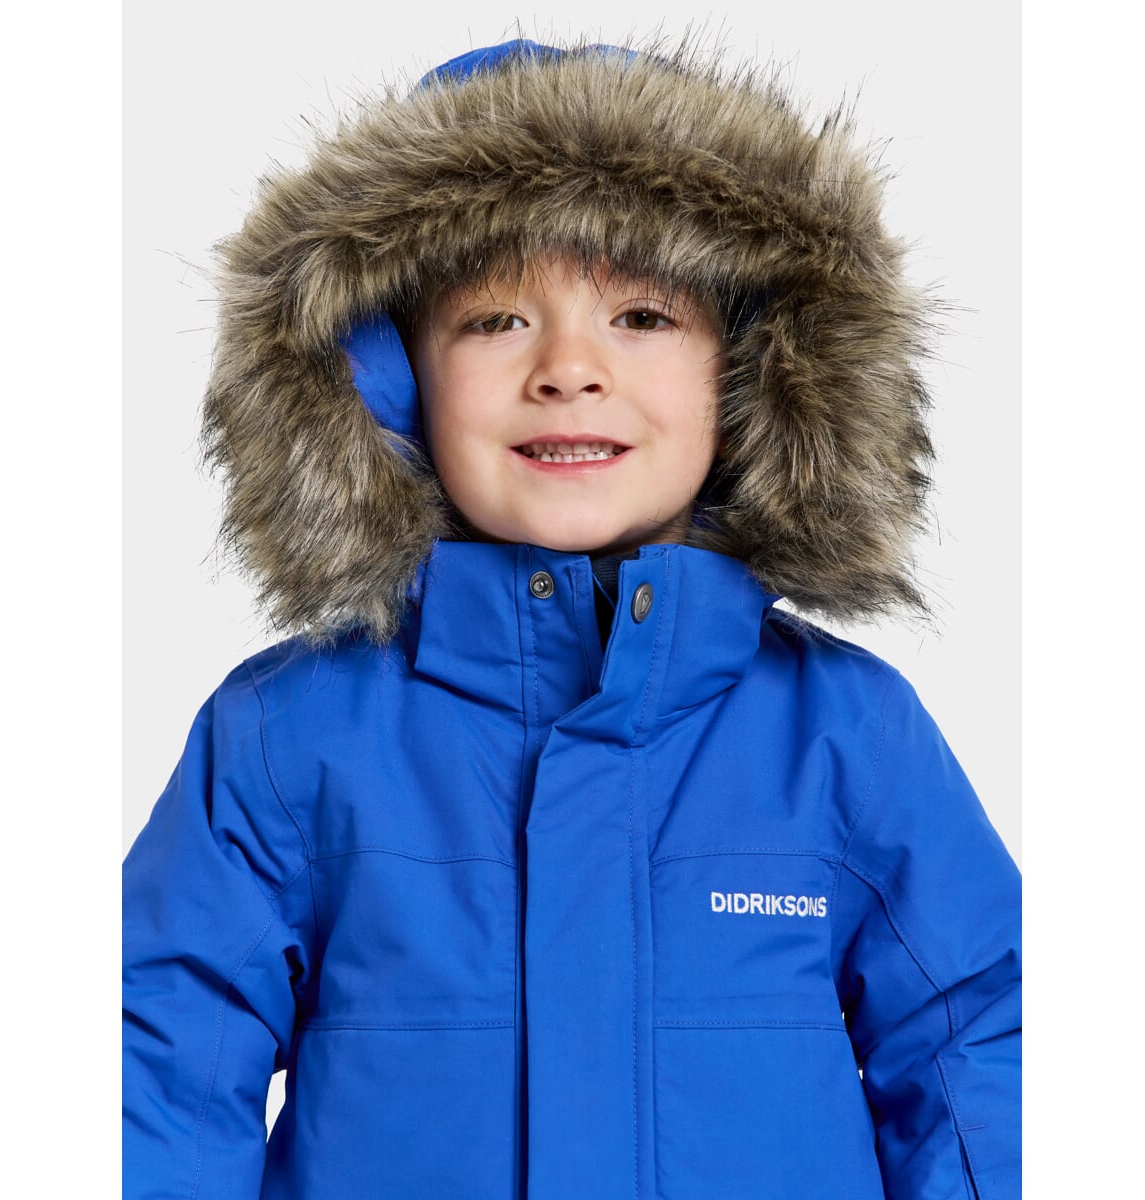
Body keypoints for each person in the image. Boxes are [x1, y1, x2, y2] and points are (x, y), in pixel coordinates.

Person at [123, 36, 1021, 1200]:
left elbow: (980, 1050)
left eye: (642, 314)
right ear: (388, 378)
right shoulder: (288, 741)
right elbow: (156, 1070)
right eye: (495, 319)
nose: (568, 369)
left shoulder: (846, 735)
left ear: (755, 371)